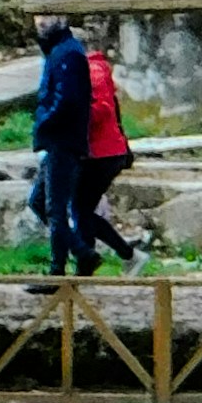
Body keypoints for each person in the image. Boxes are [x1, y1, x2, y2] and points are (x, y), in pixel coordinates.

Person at [30, 17, 93, 275]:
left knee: (54, 209)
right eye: (38, 15)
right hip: (57, 139)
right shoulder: (57, 50)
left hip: (63, 140)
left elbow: (67, 99)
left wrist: (45, 122)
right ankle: (82, 252)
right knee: (39, 201)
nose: (41, 21)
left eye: (48, 14)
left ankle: (58, 269)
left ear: (63, 18)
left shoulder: (68, 52)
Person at [80, 36, 141, 266]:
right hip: (104, 153)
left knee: (81, 210)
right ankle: (123, 255)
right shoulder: (96, 68)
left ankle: (121, 256)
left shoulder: (91, 70)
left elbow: (101, 110)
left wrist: (70, 121)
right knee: (82, 209)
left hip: (101, 154)